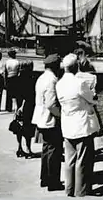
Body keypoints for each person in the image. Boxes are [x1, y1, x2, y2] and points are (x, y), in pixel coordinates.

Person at [56, 54, 100, 197]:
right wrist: (94, 95)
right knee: (83, 160)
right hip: (81, 124)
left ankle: (69, 190)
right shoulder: (79, 83)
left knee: (69, 160)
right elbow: (92, 99)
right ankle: (81, 191)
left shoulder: (59, 83)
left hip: (67, 124)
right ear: (76, 66)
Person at [31, 54, 64, 192]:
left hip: (40, 118)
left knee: (46, 149)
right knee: (54, 151)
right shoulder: (52, 80)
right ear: (55, 66)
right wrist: (60, 115)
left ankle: (44, 178)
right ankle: (53, 182)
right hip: (50, 119)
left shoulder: (41, 78)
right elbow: (51, 104)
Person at [74, 53, 103, 138]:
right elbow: (93, 91)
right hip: (89, 101)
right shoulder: (93, 77)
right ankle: (99, 130)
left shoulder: (76, 76)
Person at [14, 60, 37, 159]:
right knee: (27, 127)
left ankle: (19, 147)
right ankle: (28, 148)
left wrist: (16, 107)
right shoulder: (31, 79)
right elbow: (28, 95)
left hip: (18, 105)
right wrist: (22, 106)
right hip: (27, 106)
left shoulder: (17, 79)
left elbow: (13, 94)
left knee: (19, 127)